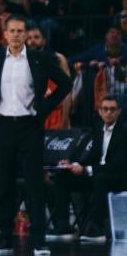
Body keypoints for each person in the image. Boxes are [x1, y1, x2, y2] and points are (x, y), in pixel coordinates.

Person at [0, 15, 71, 256]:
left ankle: (39, 241)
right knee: (4, 184)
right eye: (12, 31)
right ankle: (4, 239)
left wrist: (45, 107)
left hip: (30, 126)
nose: (16, 35)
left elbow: (65, 83)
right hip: (3, 125)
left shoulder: (39, 58)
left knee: (34, 184)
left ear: (26, 34)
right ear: (5, 34)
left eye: (20, 31)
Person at [52, 97, 126, 242]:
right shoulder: (98, 129)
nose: (108, 112)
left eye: (112, 109)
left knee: (100, 179)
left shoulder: (124, 133)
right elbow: (91, 156)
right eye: (105, 109)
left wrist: (87, 170)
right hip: (97, 173)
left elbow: (117, 165)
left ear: (118, 112)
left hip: (118, 177)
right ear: (100, 112)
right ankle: (63, 225)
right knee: (62, 177)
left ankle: (97, 228)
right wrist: (73, 164)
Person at [25, 26, 71, 130]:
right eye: (29, 38)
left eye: (36, 37)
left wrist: (65, 118)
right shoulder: (23, 61)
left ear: (44, 40)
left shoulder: (58, 59)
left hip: (56, 114)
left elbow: (67, 92)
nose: (32, 41)